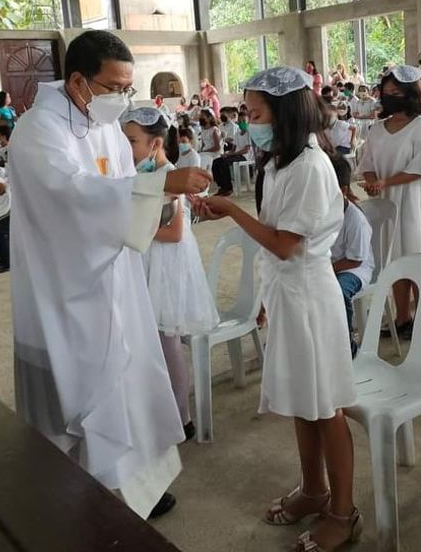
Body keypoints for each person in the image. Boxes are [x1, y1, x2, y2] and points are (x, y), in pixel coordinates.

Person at [9, 29, 212, 520]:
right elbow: (70, 198)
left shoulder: (105, 129)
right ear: (78, 81)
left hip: (115, 277)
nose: (122, 99)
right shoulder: (39, 130)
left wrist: (161, 194)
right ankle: (83, 492)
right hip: (65, 287)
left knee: (130, 375)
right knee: (78, 389)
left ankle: (136, 482)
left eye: (128, 88)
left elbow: (125, 189)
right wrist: (161, 184)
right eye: (114, 87)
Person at [192, 66, 359, 552]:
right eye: (246, 111)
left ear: (282, 113)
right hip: (287, 294)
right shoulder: (277, 162)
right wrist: (264, 299)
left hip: (310, 297)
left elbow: (286, 245)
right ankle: (313, 489)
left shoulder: (310, 166)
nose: (248, 120)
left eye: (255, 112)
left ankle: (343, 513)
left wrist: (230, 209)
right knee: (301, 403)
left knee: (325, 405)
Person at [122, 107, 219, 442]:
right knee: (149, 342)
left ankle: (182, 416)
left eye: (131, 140)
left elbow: (175, 232)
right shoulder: (141, 174)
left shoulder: (170, 176)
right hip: (147, 261)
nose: (125, 146)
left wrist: (128, 231)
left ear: (155, 143)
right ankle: (158, 409)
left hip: (165, 265)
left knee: (167, 343)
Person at [358, 65, 421, 336]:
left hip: (413, 201)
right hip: (386, 202)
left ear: (409, 94)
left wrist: (387, 182)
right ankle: (402, 317)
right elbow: (367, 162)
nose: (390, 96)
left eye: (396, 92)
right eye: (386, 92)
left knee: (416, 256)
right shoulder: (377, 128)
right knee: (392, 259)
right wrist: (373, 182)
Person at [329, 156, 374, 358]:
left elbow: (355, 260)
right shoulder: (321, 213)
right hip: (330, 266)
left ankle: (346, 349)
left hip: (354, 269)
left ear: (343, 191)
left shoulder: (355, 219)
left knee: (338, 291)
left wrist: (325, 270)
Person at [211, 109, 252, 197]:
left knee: (225, 164)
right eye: (240, 121)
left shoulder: (249, 133)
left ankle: (228, 188)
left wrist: (231, 154)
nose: (242, 123)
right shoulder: (237, 133)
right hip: (236, 154)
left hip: (245, 156)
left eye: (244, 121)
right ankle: (222, 186)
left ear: (248, 121)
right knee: (216, 162)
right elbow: (234, 148)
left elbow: (246, 150)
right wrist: (227, 153)